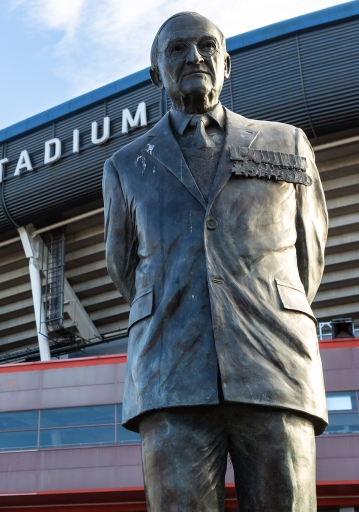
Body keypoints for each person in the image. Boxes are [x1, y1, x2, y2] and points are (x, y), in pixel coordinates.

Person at [102, 12, 329, 511]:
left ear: (228, 64)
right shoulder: (125, 165)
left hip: (276, 364)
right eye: (178, 49)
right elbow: (126, 268)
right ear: (155, 73)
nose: (195, 57)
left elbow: (307, 255)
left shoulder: (286, 143)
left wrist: (260, 308)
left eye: (207, 47)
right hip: (170, 371)